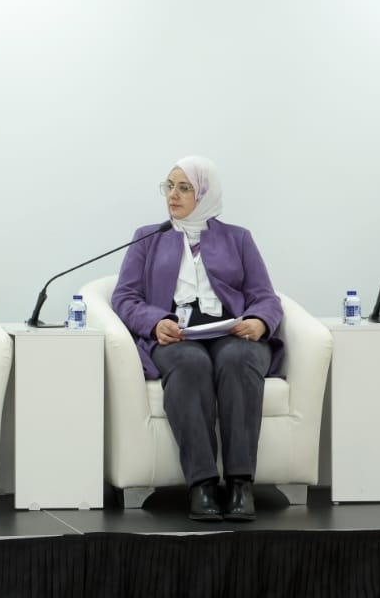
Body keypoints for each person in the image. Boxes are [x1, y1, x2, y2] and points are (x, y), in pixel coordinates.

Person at [111, 157, 283, 522]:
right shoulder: (148, 237)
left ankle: (239, 484)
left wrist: (258, 321)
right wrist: (155, 322)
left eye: (184, 187)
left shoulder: (238, 238)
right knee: (191, 363)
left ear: (205, 193)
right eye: (169, 186)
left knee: (238, 359)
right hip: (175, 336)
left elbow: (265, 297)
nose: (172, 195)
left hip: (231, 331)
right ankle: (202, 484)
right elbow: (125, 298)